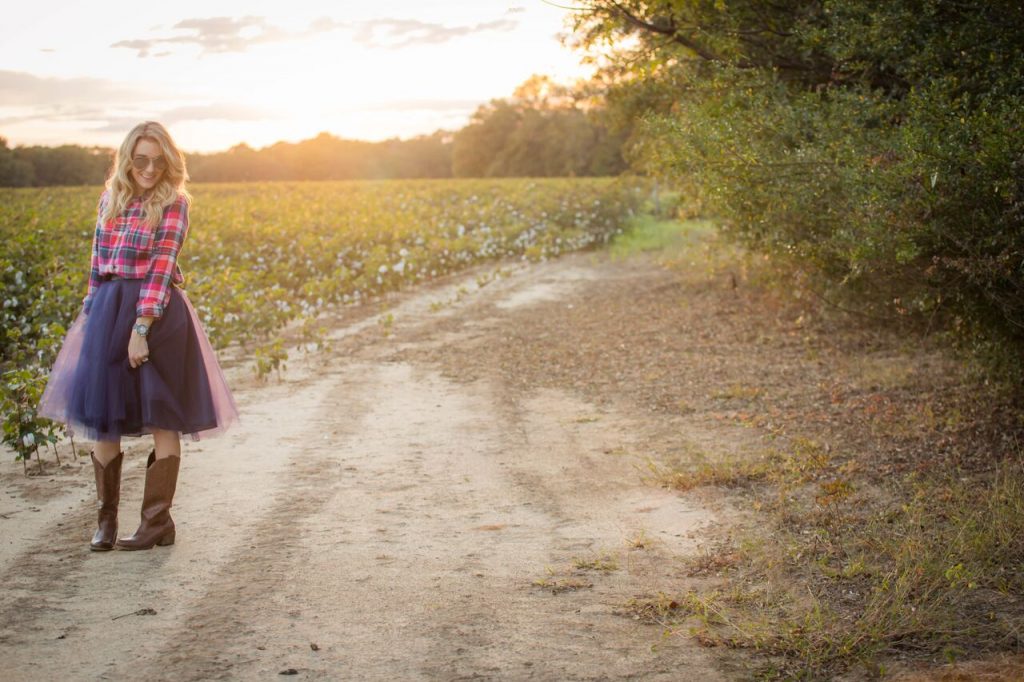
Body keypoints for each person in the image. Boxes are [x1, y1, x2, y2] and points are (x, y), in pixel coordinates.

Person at [38, 121, 239, 551]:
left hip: (158, 316)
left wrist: (141, 329)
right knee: (102, 417)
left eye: (158, 160)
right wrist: (91, 314)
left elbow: (161, 269)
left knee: (162, 415)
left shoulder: (175, 203)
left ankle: (155, 523)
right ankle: (105, 522)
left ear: (169, 162)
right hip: (108, 310)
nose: (149, 168)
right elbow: (96, 264)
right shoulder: (110, 199)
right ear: (128, 159)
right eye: (141, 159)